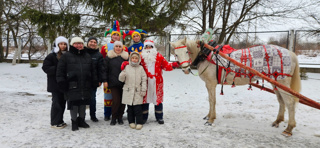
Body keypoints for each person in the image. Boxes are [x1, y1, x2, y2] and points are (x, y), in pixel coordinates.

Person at [56, 37, 97, 131]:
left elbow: (93, 70)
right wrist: (61, 82)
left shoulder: (87, 56)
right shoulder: (66, 56)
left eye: (80, 43)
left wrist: (94, 80)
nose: (79, 45)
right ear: (72, 45)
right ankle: (74, 121)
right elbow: (60, 71)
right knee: (73, 103)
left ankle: (81, 120)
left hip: (85, 83)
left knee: (83, 102)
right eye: (76, 43)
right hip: (72, 84)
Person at [140, 40, 179, 124]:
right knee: (144, 100)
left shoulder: (159, 56)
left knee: (157, 100)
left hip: (157, 82)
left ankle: (159, 117)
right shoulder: (141, 57)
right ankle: (143, 117)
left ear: (153, 47)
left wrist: (174, 65)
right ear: (144, 47)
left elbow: (166, 66)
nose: (148, 48)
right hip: (145, 82)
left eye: (150, 46)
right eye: (146, 46)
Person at [101, 20, 126, 121]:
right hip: (110, 78)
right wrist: (104, 79)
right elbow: (103, 64)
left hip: (122, 80)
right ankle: (107, 114)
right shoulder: (105, 47)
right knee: (108, 97)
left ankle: (119, 115)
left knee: (121, 98)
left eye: (117, 35)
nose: (115, 36)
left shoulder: (125, 48)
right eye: (114, 34)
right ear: (111, 36)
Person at [42, 36, 69, 129]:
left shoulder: (67, 55)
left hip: (64, 83)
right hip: (55, 84)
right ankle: (54, 122)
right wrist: (58, 69)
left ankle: (60, 120)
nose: (63, 46)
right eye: (61, 44)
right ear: (57, 45)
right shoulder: (52, 56)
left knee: (62, 103)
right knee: (56, 103)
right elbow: (45, 67)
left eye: (65, 44)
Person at [119, 52, 147, 130]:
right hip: (128, 90)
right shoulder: (127, 67)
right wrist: (122, 75)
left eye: (136, 58)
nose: (134, 60)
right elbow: (121, 79)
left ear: (138, 59)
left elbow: (144, 79)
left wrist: (143, 89)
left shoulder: (141, 68)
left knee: (138, 108)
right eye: (133, 58)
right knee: (130, 108)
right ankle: (131, 122)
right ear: (130, 59)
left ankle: (139, 122)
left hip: (137, 91)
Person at [104, 41, 129, 125]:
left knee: (123, 101)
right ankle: (114, 117)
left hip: (124, 83)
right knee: (116, 100)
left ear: (122, 48)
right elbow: (105, 70)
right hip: (113, 82)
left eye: (120, 46)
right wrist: (105, 81)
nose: (118, 48)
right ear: (114, 47)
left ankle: (120, 117)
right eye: (116, 46)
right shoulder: (109, 57)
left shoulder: (126, 57)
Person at [85, 37, 107, 122]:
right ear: (88, 43)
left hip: (93, 81)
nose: (93, 43)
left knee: (92, 99)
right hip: (83, 80)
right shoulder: (83, 53)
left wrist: (100, 80)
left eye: (94, 42)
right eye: (91, 42)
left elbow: (101, 69)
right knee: (82, 99)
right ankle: (81, 116)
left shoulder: (99, 55)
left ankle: (93, 115)